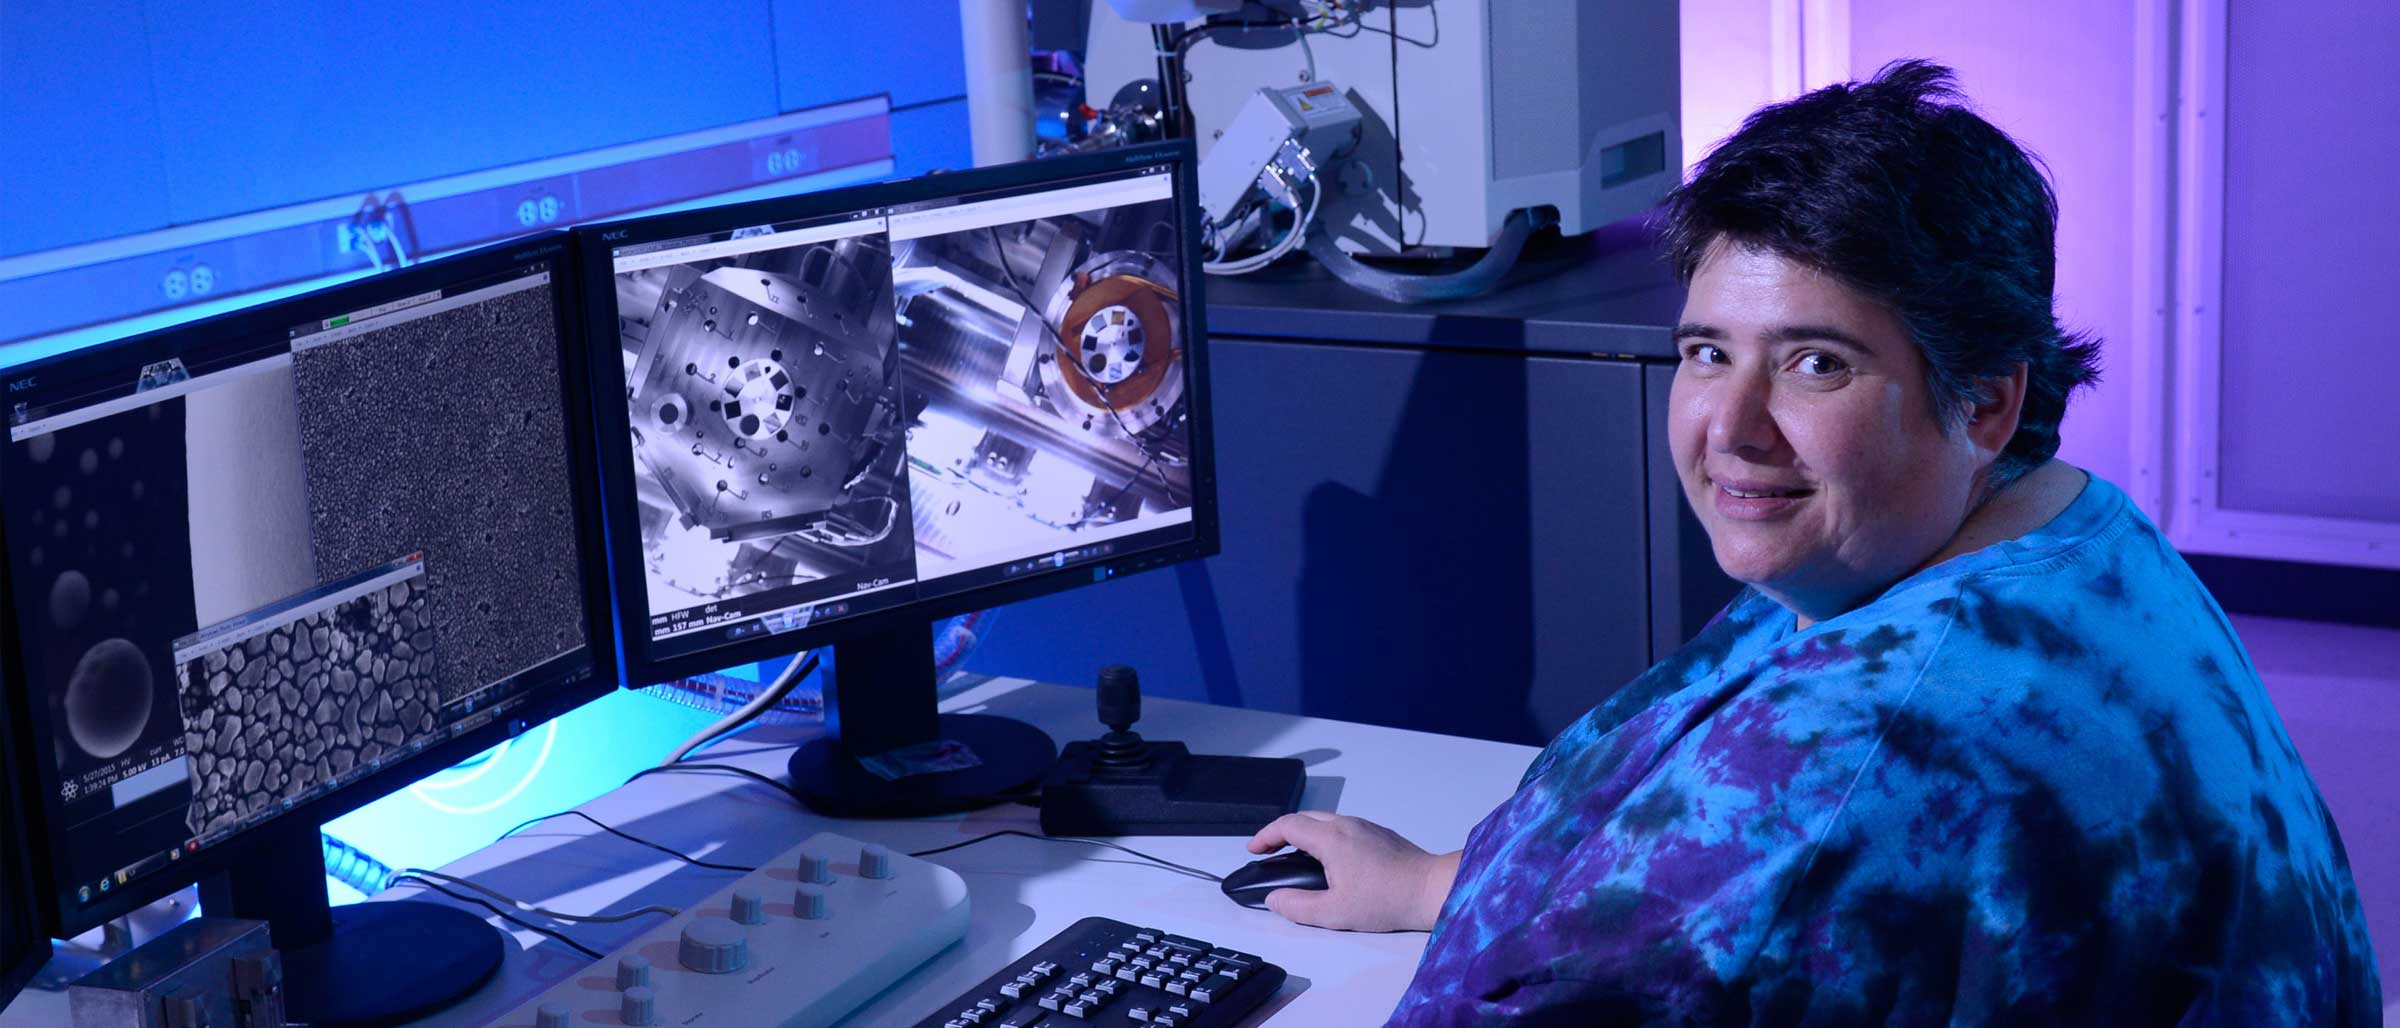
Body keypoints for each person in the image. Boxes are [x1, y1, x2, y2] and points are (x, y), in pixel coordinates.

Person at [1246, 60, 2383, 1025]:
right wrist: (1439, 879)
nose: (1730, 430)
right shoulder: (2057, 532)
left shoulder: (1859, 753)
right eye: (1705, 352)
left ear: (1985, 399)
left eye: (1816, 362)